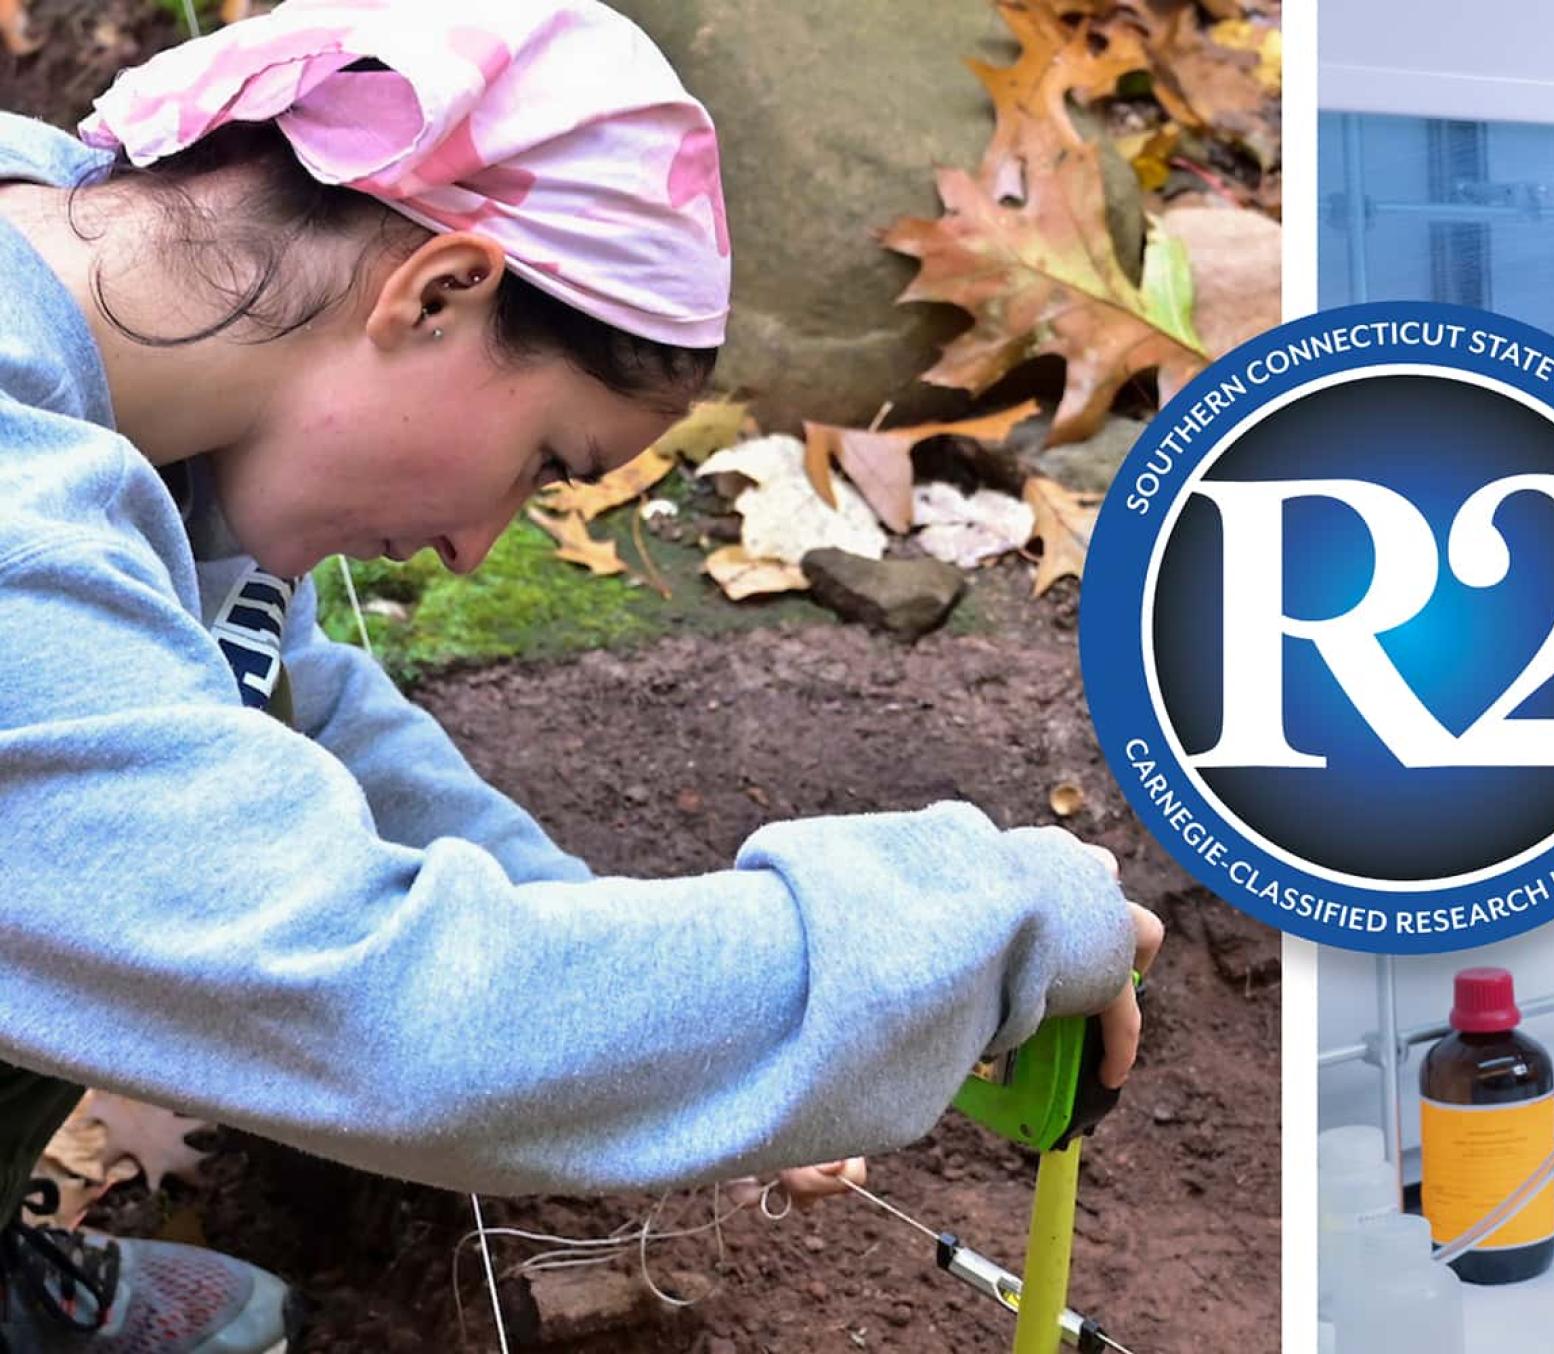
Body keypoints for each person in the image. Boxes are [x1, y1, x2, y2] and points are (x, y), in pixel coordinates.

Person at [0, 1, 1159, 1348]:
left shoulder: (89, 281)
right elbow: (372, 1003)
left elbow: (277, 703)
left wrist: (665, 1015)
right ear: (439, 291)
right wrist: (960, 932)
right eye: (546, 462)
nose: (475, 548)